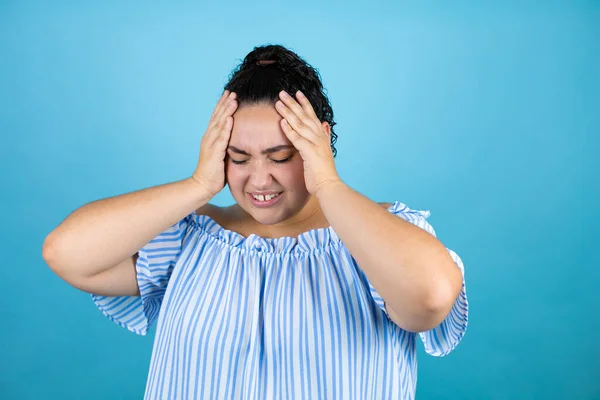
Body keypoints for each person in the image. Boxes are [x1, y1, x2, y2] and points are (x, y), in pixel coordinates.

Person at [43, 44, 468, 400]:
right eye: (239, 158)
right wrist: (198, 185)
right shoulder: (189, 238)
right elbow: (68, 254)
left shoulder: (380, 238)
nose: (259, 180)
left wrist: (327, 183)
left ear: (317, 141)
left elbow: (428, 300)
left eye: (281, 157)